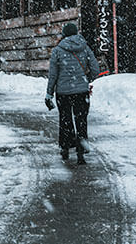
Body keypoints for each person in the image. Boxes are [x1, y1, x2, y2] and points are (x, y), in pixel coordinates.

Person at [45, 22, 100, 164]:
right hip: (81, 92)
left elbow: (53, 75)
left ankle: (65, 148)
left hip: (63, 93)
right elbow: (95, 68)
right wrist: (86, 80)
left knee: (65, 120)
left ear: (64, 34)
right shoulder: (85, 48)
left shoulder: (58, 50)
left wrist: (49, 94)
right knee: (81, 120)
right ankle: (81, 152)